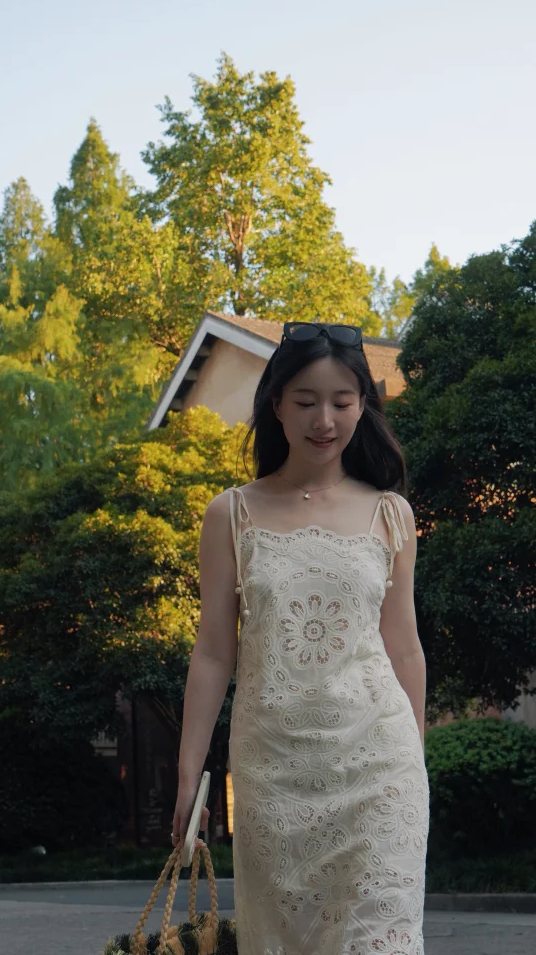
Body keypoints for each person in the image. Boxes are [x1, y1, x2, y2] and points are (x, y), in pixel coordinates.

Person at [172, 322, 429, 955]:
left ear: (363, 406)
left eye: (342, 401)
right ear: (276, 405)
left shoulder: (391, 514)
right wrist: (188, 774)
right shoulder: (231, 514)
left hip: (380, 767)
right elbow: (214, 653)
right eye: (306, 401)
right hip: (274, 774)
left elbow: (404, 647)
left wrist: (416, 766)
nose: (324, 420)